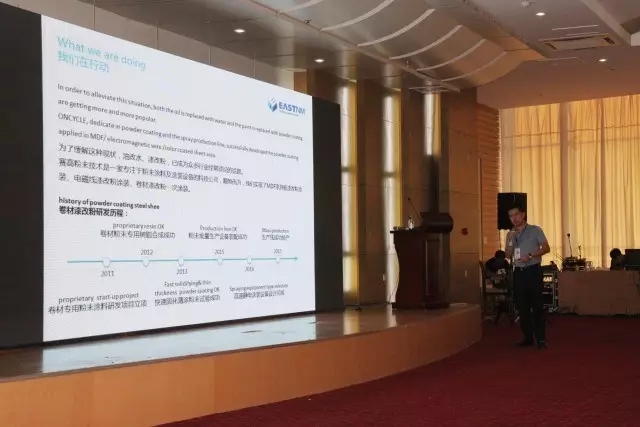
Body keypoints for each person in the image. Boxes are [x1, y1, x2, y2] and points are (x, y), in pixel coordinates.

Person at [504, 203, 550, 349]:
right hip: (518, 272)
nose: (514, 218)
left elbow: (546, 248)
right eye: (511, 216)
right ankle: (528, 337)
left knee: (536, 306)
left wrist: (530, 255)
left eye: (516, 215)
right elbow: (508, 255)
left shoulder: (535, 230)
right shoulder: (510, 234)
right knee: (522, 307)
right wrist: (510, 240)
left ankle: (541, 339)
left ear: (523, 215)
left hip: (533, 271)